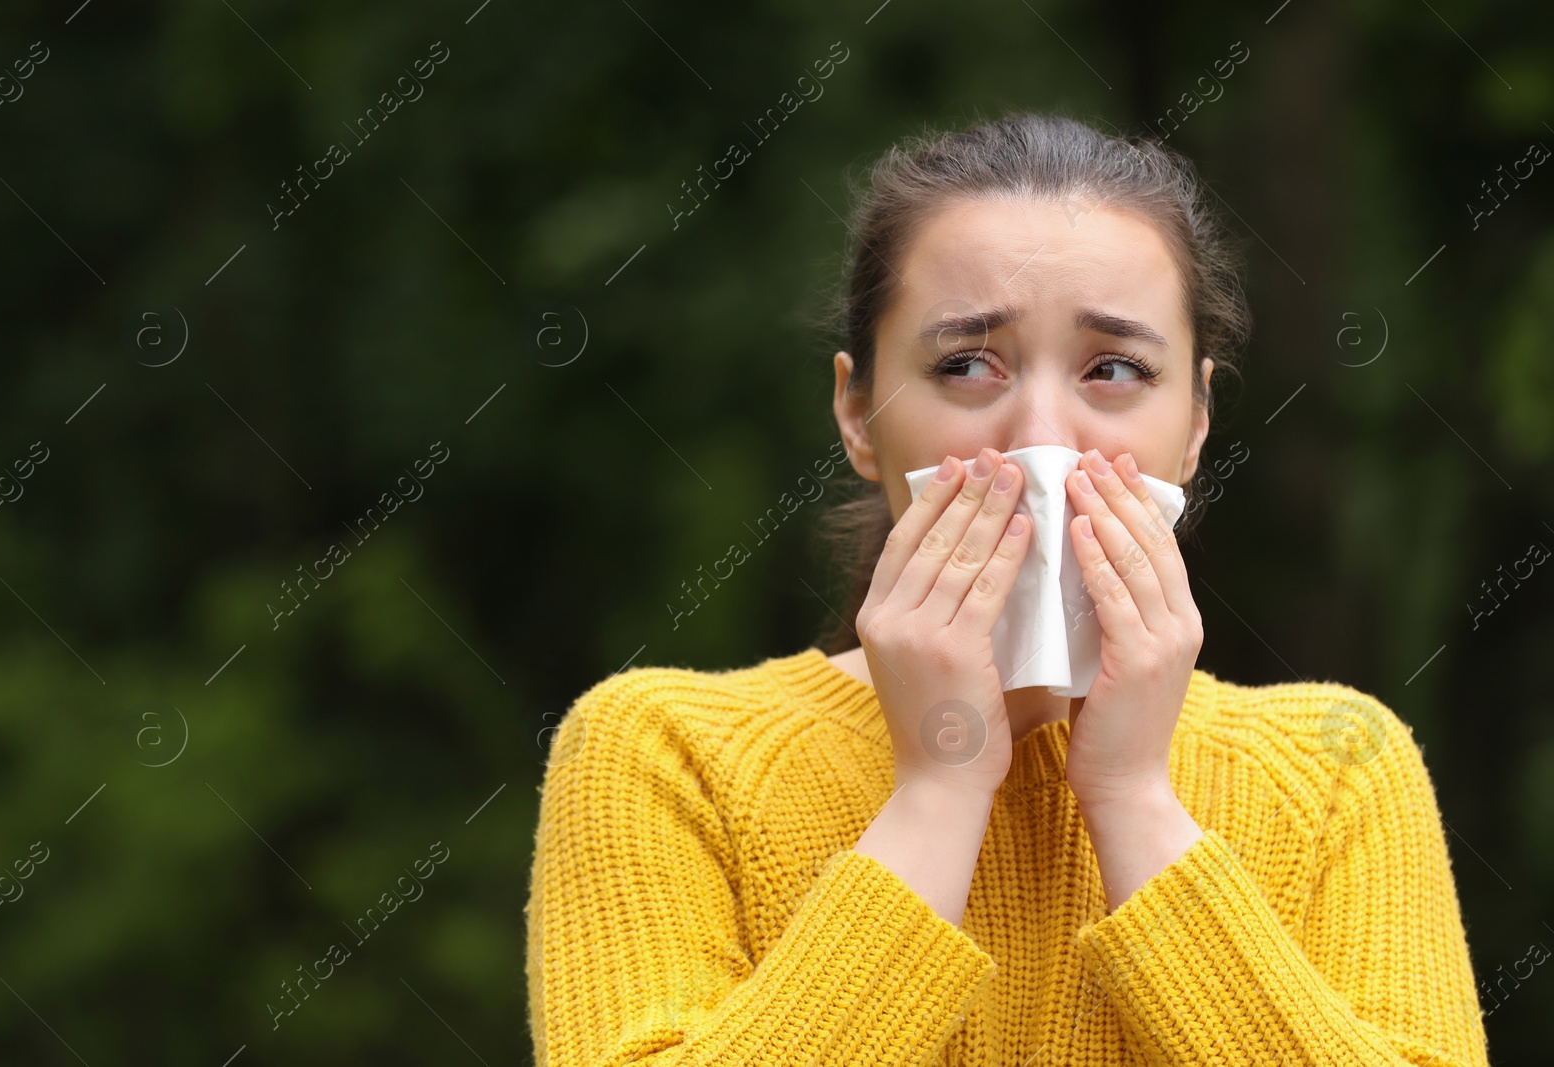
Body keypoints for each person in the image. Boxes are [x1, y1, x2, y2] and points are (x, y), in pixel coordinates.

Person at [524, 111, 1491, 1067]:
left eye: (1112, 368)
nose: (1044, 439)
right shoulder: (663, 752)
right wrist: (941, 785)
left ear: (1195, 421)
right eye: (966, 365)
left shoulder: (1334, 768)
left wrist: (1135, 797)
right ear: (859, 413)